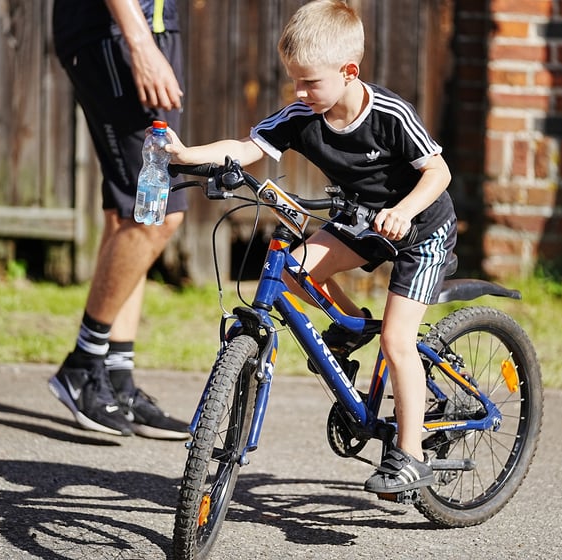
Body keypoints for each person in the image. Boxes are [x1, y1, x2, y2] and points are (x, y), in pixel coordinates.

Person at [166, 0, 457, 492]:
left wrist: (404, 211)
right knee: (292, 272)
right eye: (294, 81)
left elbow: (438, 172)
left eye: (309, 82)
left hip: (421, 229)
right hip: (362, 222)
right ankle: (352, 326)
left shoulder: (389, 115)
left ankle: (409, 455)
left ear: (348, 72)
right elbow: (247, 148)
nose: (299, 92)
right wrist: (186, 154)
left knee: (397, 340)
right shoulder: (304, 114)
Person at [48, 0, 190, 439]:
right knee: (155, 213)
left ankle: (116, 378)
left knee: (126, 215)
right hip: (118, 31)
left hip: (150, 27)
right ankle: (82, 365)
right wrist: (140, 43)